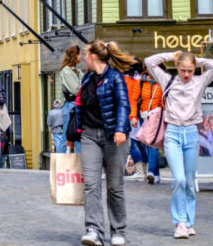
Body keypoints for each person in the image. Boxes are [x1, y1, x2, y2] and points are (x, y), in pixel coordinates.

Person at [145, 50, 213, 240]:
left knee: (188, 180)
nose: (186, 74)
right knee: (178, 179)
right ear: (177, 68)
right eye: (183, 70)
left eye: (190, 70)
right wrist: (172, 55)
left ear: (195, 69)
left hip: (192, 134)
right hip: (173, 133)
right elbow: (149, 61)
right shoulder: (168, 81)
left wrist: (196, 59)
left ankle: (188, 221)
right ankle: (179, 223)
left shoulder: (200, 82)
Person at [72, 40, 134, 246]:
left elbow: (123, 105)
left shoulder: (115, 78)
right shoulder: (87, 78)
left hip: (114, 138)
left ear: (93, 57)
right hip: (90, 136)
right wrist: (76, 133)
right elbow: (80, 106)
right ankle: (93, 230)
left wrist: (119, 129)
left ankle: (118, 230)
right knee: (91, 184)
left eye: (85, 54)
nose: (83, 58)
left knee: (115, 186)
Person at [127, 65, 163, 184]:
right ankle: (156, 174)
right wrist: (133, 116)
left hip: (157, 117)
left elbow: (165, 101)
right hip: (144, 116)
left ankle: (151, 172)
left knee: (152, 143)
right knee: (149, 143)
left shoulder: (163, 82)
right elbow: (134, 100)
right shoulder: (141, 82)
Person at [59, 45, 83, 152]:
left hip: (76, 105)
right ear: (75, 56)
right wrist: (82, 88)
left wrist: (81, 87)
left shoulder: (77, 71)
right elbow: (75, 90)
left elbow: (82, 87)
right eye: (80, 54)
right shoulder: (66, 71)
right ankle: (60, 165)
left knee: (78, 137)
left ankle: (79, 164)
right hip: (70, 107)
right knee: (66, 137)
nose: (81, 56)